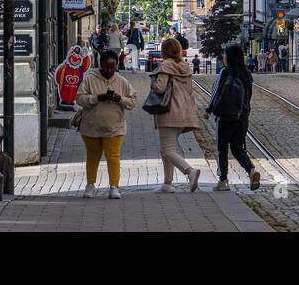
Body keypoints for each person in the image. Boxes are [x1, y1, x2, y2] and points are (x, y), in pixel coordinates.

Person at [75, 50, 136, 199]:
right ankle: (90, 185)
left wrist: (119, 98)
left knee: (113, 156)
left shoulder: (122, 81)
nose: (109, 70)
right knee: (93, 155)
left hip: (115, 127)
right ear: (100, 65)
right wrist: (97, 98)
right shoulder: (89, 80)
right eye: (106, 67)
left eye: (112, 67)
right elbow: (79, 99)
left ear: (116, 66)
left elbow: (132, 101)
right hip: (91, 127)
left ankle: (114, 186)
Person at [204, 43, 262, 192]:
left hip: (225, 117)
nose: (223, 56)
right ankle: (251, 170)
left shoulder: (225, 72)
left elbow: (216, 93)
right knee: (238, 149)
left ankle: (223, 180)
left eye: (224, 54)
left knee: (222, 149)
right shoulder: (246, 74)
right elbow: (248, 97)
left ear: (229, 57)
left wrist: (209, 110)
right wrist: (244, 113)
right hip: (241, 118)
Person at [149, 37, 202, 192]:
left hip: (169, 112)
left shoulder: (166, 66)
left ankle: (189, 171)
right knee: (168, 149)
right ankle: (167, 183)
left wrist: (153, 80)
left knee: (167, 150)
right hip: (183, 113)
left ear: (164, 52)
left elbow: (159, 88)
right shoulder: (184, 66)